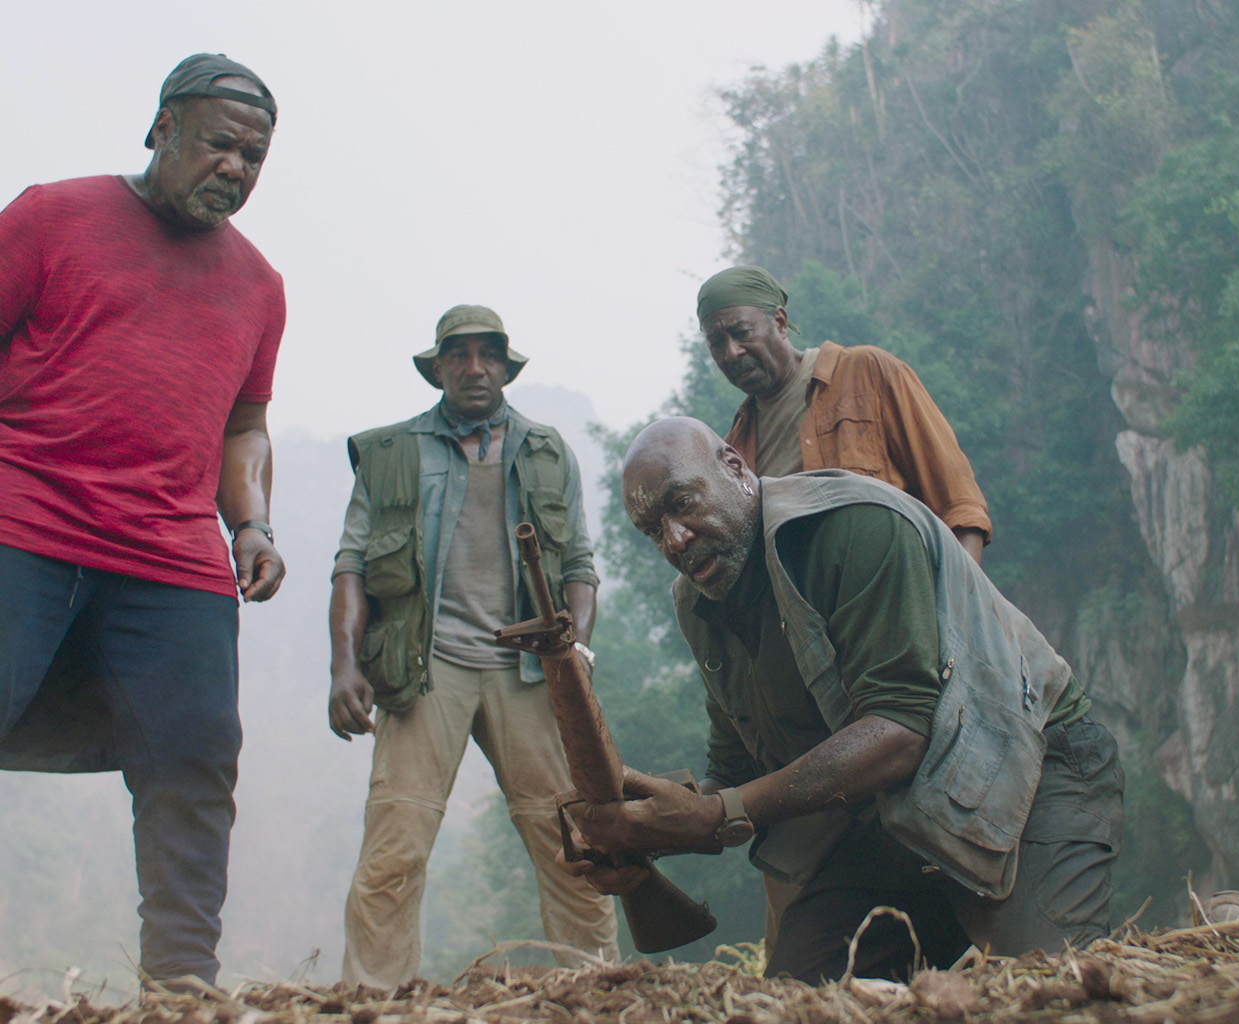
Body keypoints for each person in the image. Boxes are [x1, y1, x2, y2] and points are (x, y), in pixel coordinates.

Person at [567, 417, 1123, 984]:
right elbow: (737, 768)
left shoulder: (852, 525)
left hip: (1029, 768)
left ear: (734, 468)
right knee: (793, 1001)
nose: (676, 540)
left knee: (1048, 990)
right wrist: (642, 830)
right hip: (888, 817)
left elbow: (902, 729)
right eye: (653, 530)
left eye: (682, 503)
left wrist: (716, 816)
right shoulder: (699, 602)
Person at [0, 54, 285, 988]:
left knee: (198, 755)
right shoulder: (50, 214)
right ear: (163, 127)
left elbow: (245, 425)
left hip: (170, 554)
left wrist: (252, 526)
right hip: (22, 521)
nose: (236, 168)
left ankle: (180, 984)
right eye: (219, 143)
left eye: (255, 155)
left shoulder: (259, 285)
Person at [329, 304, 618, 988]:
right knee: (394, 847)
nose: (474, 368)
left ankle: (598, 989)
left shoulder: (547, 451)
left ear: (507, 366)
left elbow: (579, 563)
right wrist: (344, 664)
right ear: (437, 367)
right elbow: (352, 565)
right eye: (459, 355)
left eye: (488, 354)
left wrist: (577, 648)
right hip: (426, 670)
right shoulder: (391, 453)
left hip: (528, 674)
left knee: (574, 841)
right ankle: (374, 996)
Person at [697, 266, 991, 564]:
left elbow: (960, 506)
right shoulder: (733, 452)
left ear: (780, 322)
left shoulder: (869, 373)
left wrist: (959, 602)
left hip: (898, 591)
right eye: (717, 344)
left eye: (742, 333)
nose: (731, 352)